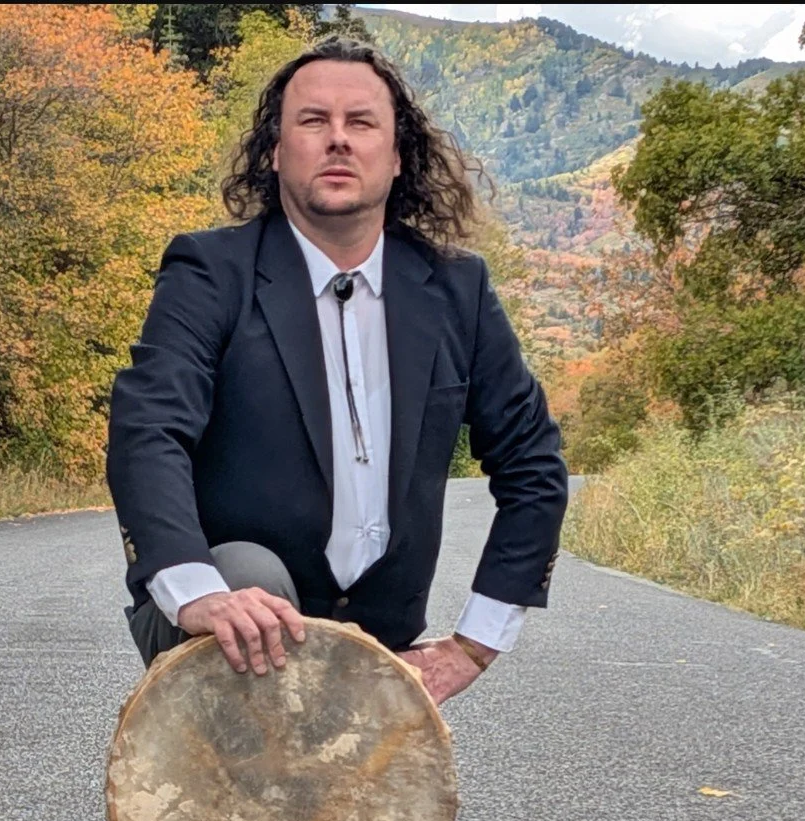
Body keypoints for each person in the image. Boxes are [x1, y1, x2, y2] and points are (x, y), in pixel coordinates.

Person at [106, 36, 567, 707]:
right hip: (218, 624)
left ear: (398, 154)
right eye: (313, 121)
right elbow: (148, 431)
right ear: (275, 150)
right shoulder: (210, 274)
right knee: (249, 575)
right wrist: (195, 590)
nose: (338, 140)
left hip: (376, 650)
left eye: (361, 123)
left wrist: (473, 644)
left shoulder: (455, 289)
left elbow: (533, 465)